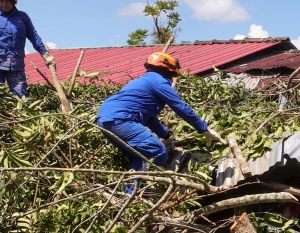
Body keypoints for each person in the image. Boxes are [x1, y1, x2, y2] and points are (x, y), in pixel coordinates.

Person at [95, 52, 223, 172]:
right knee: (157, 151)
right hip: (121, 119)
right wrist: (204, 129)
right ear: (169, 71)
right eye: (173, 75)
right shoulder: (159, 81)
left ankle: (130, 193)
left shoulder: (142, 81)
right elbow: (180, 107)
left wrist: (166, 135)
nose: (172, 80)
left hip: (104, 119)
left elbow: (149, 118)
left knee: (140, 156)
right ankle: (143, 191)